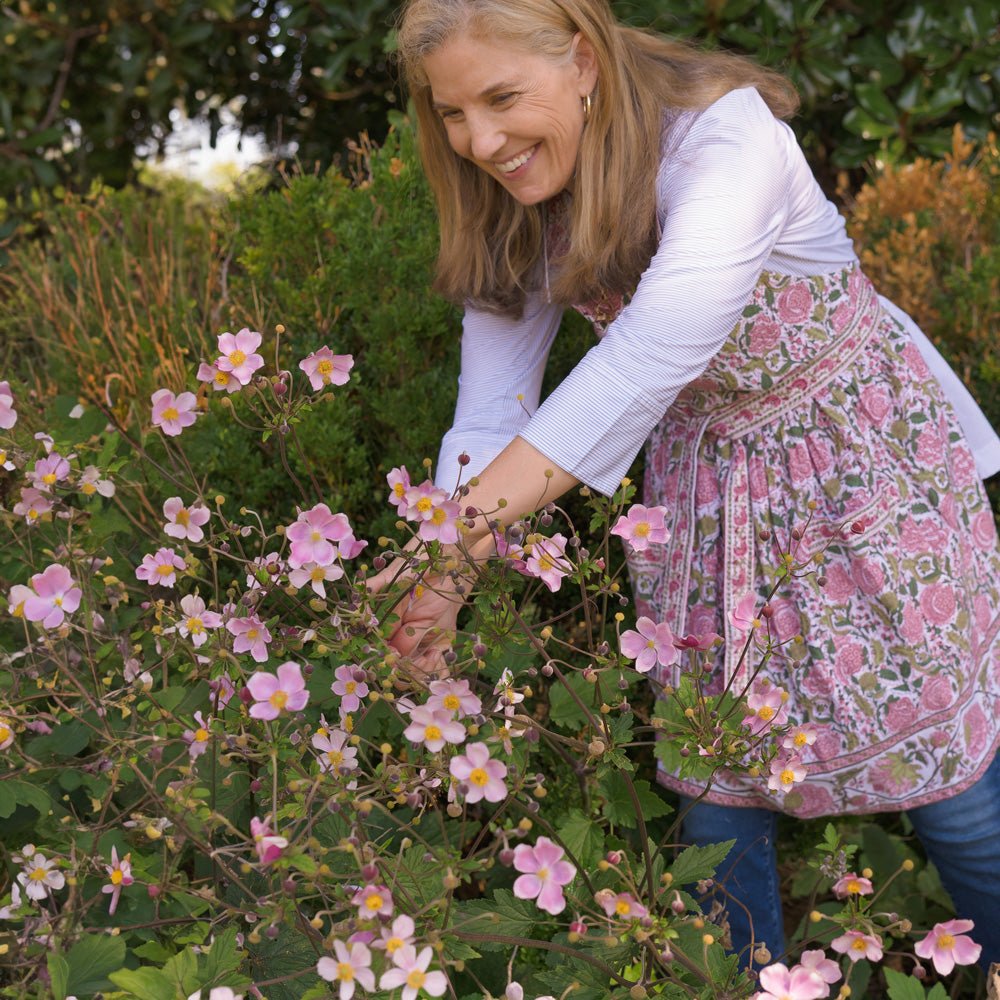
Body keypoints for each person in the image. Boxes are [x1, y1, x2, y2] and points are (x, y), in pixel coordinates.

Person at [387, 0, 1000, 970]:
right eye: (453, 114)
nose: (480, 141)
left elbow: (644, 357)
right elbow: (489, 412)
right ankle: (748, 985)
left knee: (949, 789)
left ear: (582, 60)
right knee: (714, 796)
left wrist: (456, 541)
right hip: (705, 497)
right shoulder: (515, 190)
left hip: (855, 476)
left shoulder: (727, 140)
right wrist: (440, 568)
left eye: (502, 98)